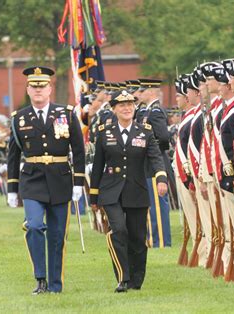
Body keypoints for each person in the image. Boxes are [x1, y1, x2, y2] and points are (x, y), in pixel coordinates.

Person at [7, 66, 85, 294]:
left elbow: (78, 151)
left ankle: (55, 285)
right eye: (34, 86)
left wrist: (79, 182)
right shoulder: (19, 119)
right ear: (28, 90)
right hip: (32, 180)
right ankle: (40, 278)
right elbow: (13, 156)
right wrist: (12, 189)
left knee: (57, 235)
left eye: (43, 86)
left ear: (50, 89)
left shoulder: (67, 114)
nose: (38, 90)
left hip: (60, 179)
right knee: (33, 226)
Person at [89, 90, 168, 293]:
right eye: (122, 105)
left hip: (136, 191)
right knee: (119, 231)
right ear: (114, 109)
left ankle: (136, 279)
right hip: (110, 192)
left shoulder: (145, 132)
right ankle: (123, 277)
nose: (127, 108)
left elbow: (156, 157)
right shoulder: (104, 133)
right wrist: (94, 196)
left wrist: (161, 178)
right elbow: (98, 166)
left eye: (130, 105)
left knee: (137, 238)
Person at [136, 79, 172, 248]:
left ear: (150, 92)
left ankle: (162, 241)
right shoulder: (147, 112)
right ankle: (154, 239)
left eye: (142, 91)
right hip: (148, 163)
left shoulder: (155, 111)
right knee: (151, 204)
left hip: (155, 163)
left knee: (158, 204)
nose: (138, 94)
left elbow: (164, 137)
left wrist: (153, 151)